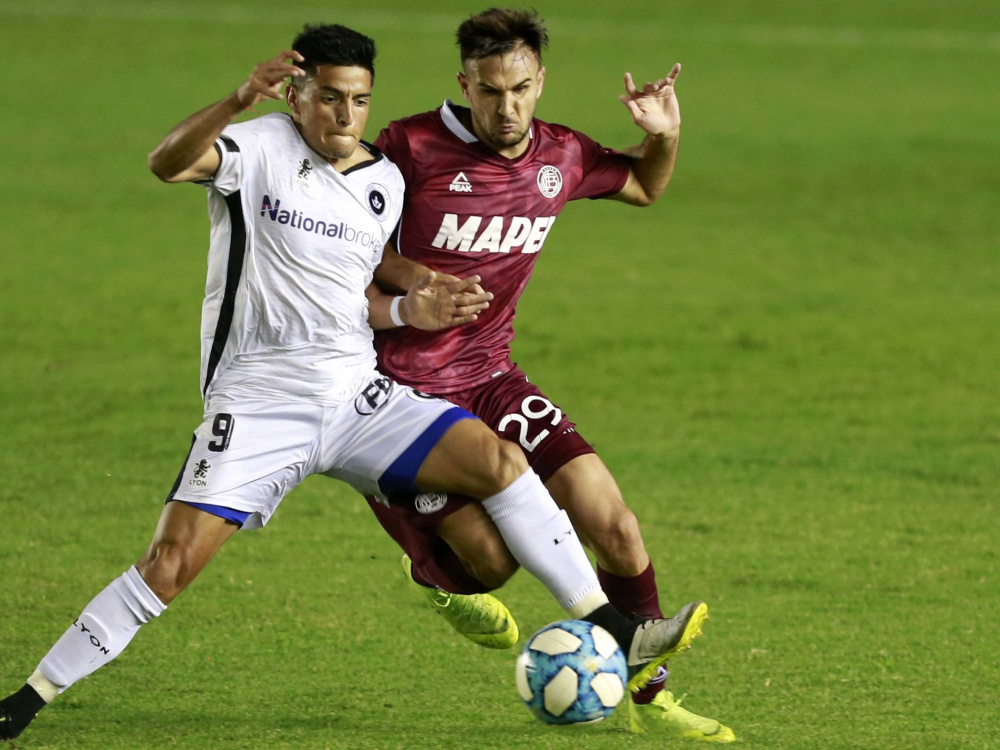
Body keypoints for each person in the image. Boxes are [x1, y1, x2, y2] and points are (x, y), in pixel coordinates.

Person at [0, 23, 709, 742]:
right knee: (169, 563)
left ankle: (612, 627)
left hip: (356, 397)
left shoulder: (378, 180)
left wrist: (415, 298)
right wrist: (237, 99)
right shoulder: (260, 149)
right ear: (296, 94)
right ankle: (27, 699)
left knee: (502, 465)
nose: (345, 116)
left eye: (359, 100)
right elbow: (166, 162)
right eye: (331, 98)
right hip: (260, 407)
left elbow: (358, 282)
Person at [364, 8, 735, 743]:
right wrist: (420, 286)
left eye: (522, 89)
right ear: (464, 83)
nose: (508, 108)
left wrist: (664, 134)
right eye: (491, 91)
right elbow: (351, 244)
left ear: (542, 81)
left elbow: (643, 187)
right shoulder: (408, 146)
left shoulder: (559, 155)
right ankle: (432, 574)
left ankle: (650, 693)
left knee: (618, 528)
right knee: (489, 566)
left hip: (492, 377)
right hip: (401, 394)